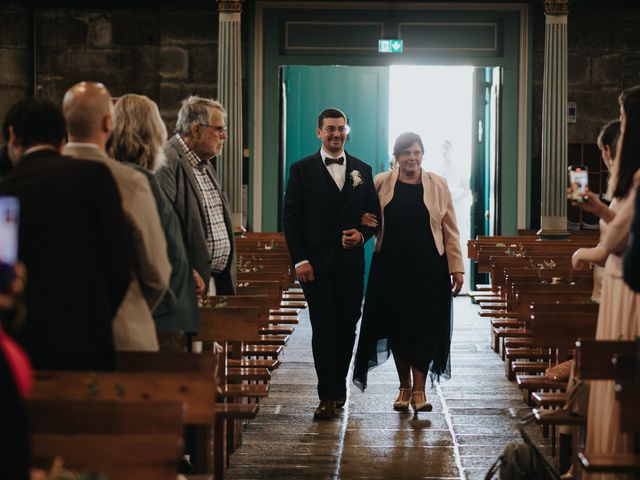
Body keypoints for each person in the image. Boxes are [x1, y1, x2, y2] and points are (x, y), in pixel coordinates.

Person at [0, 97, 131, 369]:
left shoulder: (6, 191)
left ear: (12, 135)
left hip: (26, 349)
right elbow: (119, 266)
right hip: (89, 342)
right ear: (62, 137)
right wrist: (98, 320)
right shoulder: (95, 177)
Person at [353, 132, 464, 416]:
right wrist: (363, 220)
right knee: (397, 327)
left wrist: (457, 268)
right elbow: (366, 215)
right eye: (406, 154)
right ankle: (404, 386)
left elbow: (450, 230)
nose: (411, 158)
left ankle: (420, 390)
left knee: (424, 328)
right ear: (397, 157)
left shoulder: (438, 185)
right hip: (391, 266)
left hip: (430, 268)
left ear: (422, 155)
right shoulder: (380, 182)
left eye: (416, 153)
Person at [283, 108, 380, 420]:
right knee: (324, 329)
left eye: (340, 129)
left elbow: (373, 217)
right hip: (315, 266)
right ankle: (327, 394)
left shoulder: (362, 170)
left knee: (347, 326)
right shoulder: (301, 169)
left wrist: (362, 235)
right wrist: (300, 260)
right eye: (330, 129)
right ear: (319, 133)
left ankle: (338, 386)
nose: (336, 134)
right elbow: (292, 219)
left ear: (347, 131)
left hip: (351, 265)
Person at [62, 81, 171, 352]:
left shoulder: (33, 178)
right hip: (120, 331)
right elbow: (156, 272)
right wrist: (133, 307)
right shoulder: (129, 181)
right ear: (109, 123)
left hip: (48, 334)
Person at [576, 86, 640, 480]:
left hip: (627, 290)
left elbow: (615, 241)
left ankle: (615, 458)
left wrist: (597, 208)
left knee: (619, 378)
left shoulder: (636, 178)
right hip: (621, 284)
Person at [109, 93, 201, 348]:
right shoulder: (139, 182)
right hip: (163, 316)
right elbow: (156, 262)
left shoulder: (114, 177)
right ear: (153, 132)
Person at [156, 96, 236, 296]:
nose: (224, 136)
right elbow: (160, 224)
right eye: (218, 129)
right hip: (189, 283)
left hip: (215, 281)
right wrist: (182, 268)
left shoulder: (204, 163)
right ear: (196, 130)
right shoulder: (168, 160)